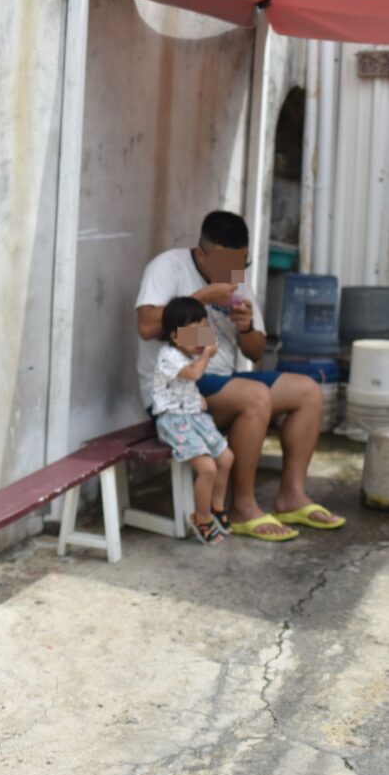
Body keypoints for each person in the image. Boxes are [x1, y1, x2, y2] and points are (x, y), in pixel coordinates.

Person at [136, 210, 345, 541]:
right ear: (202, 254)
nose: (233, 273)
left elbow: (256, 351)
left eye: (241, 264)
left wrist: (246, 325)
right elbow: (147, 326)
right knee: (254, 395)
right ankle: (243, 507)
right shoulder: (168, 267)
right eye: (225, 265)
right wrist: (203, 297)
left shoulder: (238, 280)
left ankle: (292, 496)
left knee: (308, 391)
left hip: (221, 379)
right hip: (176, 388)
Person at [152, 297, 234, 545]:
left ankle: (216, 505)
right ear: (176, 336)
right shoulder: (168, 356)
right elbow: (193, 374)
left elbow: (184, 384)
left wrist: (198, 398)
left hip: (194, 417)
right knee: (208, 468)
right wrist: (207, 355)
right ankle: (202, 517)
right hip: (173, 421)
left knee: (227, 458)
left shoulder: (188, 355)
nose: (202, 340)